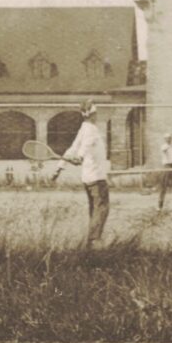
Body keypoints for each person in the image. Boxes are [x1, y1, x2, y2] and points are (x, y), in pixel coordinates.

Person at [52, 99, 109, 248]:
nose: (97, 116)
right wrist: (80, 157)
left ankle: (92, 242)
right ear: (92, 114)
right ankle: (94, 240)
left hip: (88, 178)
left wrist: (59, 167)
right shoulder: (91, 130)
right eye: (96, 113)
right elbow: (84, 146)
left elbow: (73, 148)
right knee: (102, 208)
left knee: (94, 209)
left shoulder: (83, 128)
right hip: (97, 177)